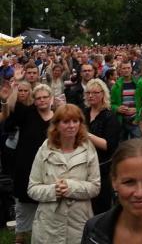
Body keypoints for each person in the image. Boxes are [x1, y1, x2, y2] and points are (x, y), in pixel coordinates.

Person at [28, 104, 100, 244]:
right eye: (66, 122)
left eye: (75, 121)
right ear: (56, 125)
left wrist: (70, 187)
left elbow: (95, 187)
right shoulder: (45, 149)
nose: (71, 126)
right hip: (49, 223)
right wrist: (54, 190)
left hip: (78, 221)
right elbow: (32, 188)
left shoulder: (88, 149)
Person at [3, 84, 54, 243]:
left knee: (48, 205)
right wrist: (14, 89)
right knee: (23, 207)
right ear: (35, 100)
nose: (42, 100)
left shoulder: (59, 116)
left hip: (51, 168)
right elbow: (12, 107)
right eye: (38, 98)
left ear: (51, 98)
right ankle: (20, 238)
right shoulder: (27, 113)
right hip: (26, 167)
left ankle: (45, 238)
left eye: (45, 97)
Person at [84, 78, 120, 214]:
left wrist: (86, 135)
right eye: (88, 93)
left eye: (95, 93)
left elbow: (109, 146)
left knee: (100, 207)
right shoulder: (83, 113)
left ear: (103, 94)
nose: (91, 96)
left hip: (101, 168)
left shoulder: (110, 117)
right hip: (83, 164)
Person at [111, 60, 142, 140]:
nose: (126, 70)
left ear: (131, 69)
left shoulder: (140, 83)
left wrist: (137, 110)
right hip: (121, 121)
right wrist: (117, 108)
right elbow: (110, 104)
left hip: (136, 121)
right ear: (120, 70)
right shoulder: (116, 86)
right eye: (124, 68)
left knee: (137, 145)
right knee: (122, 146)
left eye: (128, 68)